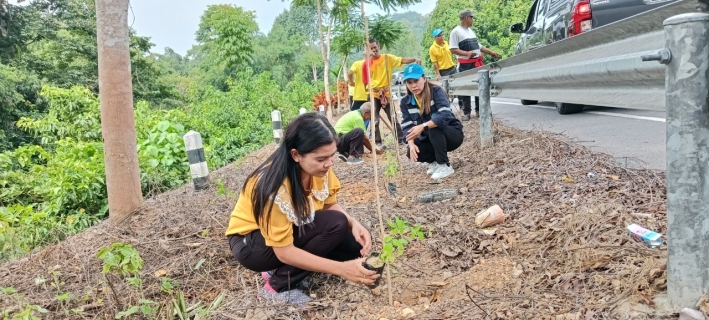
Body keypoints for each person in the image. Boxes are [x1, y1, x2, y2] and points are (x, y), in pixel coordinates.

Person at [225, 113, 378, 306]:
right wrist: (341, 269)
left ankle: (281, 269)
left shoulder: (319, 169)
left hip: (287, 230)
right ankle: (277, 286)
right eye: (322, 158)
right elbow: (284, 251)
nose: (330, 163)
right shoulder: (273, 186)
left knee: (352, 246)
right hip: (253, 244)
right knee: (336, 224)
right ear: (296, 155)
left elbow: (330, 204)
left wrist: (354, 224)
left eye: (332, 155)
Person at [400, 63, 464, 180]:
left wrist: (423, 126)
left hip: (452, 134)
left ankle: (444, 165)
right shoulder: (405, 101)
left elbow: (445, 115)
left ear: (424, 78)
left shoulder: (436, 91)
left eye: (416, 80)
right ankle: (434, 162)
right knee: (411, 151)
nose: (413, 85)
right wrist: (411, 144)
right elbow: (406, 126)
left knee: (433, 126)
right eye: (409, 82)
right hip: (431, 138)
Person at [363, 38, 421, 146]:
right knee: (374, 120)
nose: (374, 50)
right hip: (374, 94)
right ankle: (378, 142)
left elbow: (401, 60)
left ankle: (400, 139)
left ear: (378, 46)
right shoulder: (366, 64)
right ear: (368, 50)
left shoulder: (387, 58)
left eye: (375, 47)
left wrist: (414, 59)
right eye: (371, 48)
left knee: (392, 117)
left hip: (386, 93)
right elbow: (365, 82)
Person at [449, 9, 501, 120]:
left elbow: (479, 46)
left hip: (476, 63)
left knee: (480, 86)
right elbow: (453, 49)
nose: (473, 20)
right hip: (465, 64)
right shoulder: (456, 32)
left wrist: (491, 52)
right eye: (472, 17)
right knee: (467, 87)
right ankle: (467, 112)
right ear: (467, 18)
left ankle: (480, 110)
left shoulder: (471, 31)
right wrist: (466, 53)